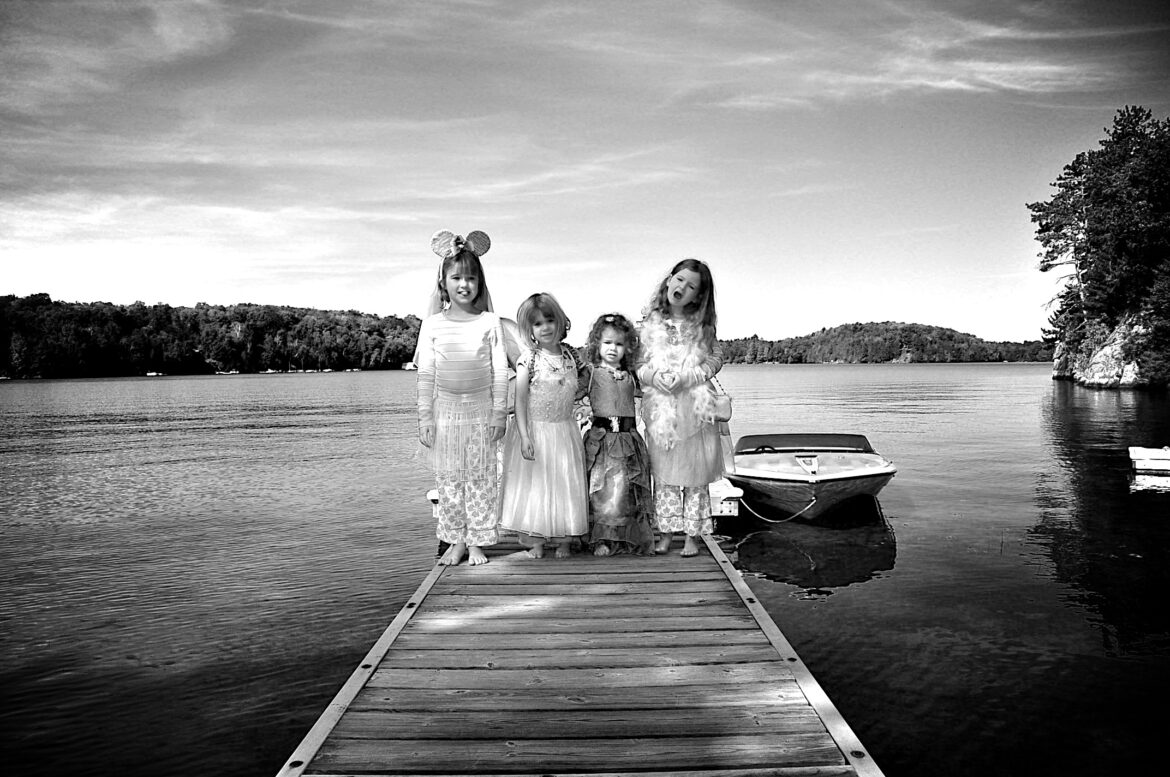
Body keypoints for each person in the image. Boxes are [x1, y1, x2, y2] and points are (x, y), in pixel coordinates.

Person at [416, 230, 508, 566]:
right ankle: (455, 541)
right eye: (456, 278)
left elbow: (500, 372)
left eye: (470, 278)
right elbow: (426, 375)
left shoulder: (490, 322)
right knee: (450, 481)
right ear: (444, 283)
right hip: (446, 414)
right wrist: (425, 418)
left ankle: (477, 542)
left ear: (480, 284)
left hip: (481, 411)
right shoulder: (433, 325)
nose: (464, 284)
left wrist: (499, 414)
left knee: (481, 479)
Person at [637, 259, 724, 557]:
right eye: (680, 279)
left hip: (695, 408)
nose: (682, 288)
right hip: (661, 408)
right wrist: (653, 377)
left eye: (691, 286)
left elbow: (716, 359)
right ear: (669, 280)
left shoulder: (702, 327)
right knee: (664, 474)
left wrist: (690, 377)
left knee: (695, 474)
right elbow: (638, 362)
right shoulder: (649, 323)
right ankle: (666, 532)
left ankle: (692, 536)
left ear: (698, 296)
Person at [499, 293, 589, 558]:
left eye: (549, 320)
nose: (545, 327)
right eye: (537, 324)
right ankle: (536, 540)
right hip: (535, 430)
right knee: (535, 486)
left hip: (564, 430)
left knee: (564, 484)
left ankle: (564, 539)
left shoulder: (572, 356)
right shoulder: (528, 359)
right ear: (530, 329)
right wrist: (525, 436)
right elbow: (520, 401)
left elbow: (583, 387)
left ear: (560, 321)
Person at [581, 313, 656, 556]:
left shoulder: (632, 375)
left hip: (628, 440)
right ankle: (602, 539)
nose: (613, 348)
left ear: (628, 347)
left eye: (619, 344)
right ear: (596, 344)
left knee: (624, 492)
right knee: (603, 492)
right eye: (607, 342)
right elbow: (569, 393)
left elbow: (654, 391)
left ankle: (625, 538)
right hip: (602, 442)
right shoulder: (591, 373)